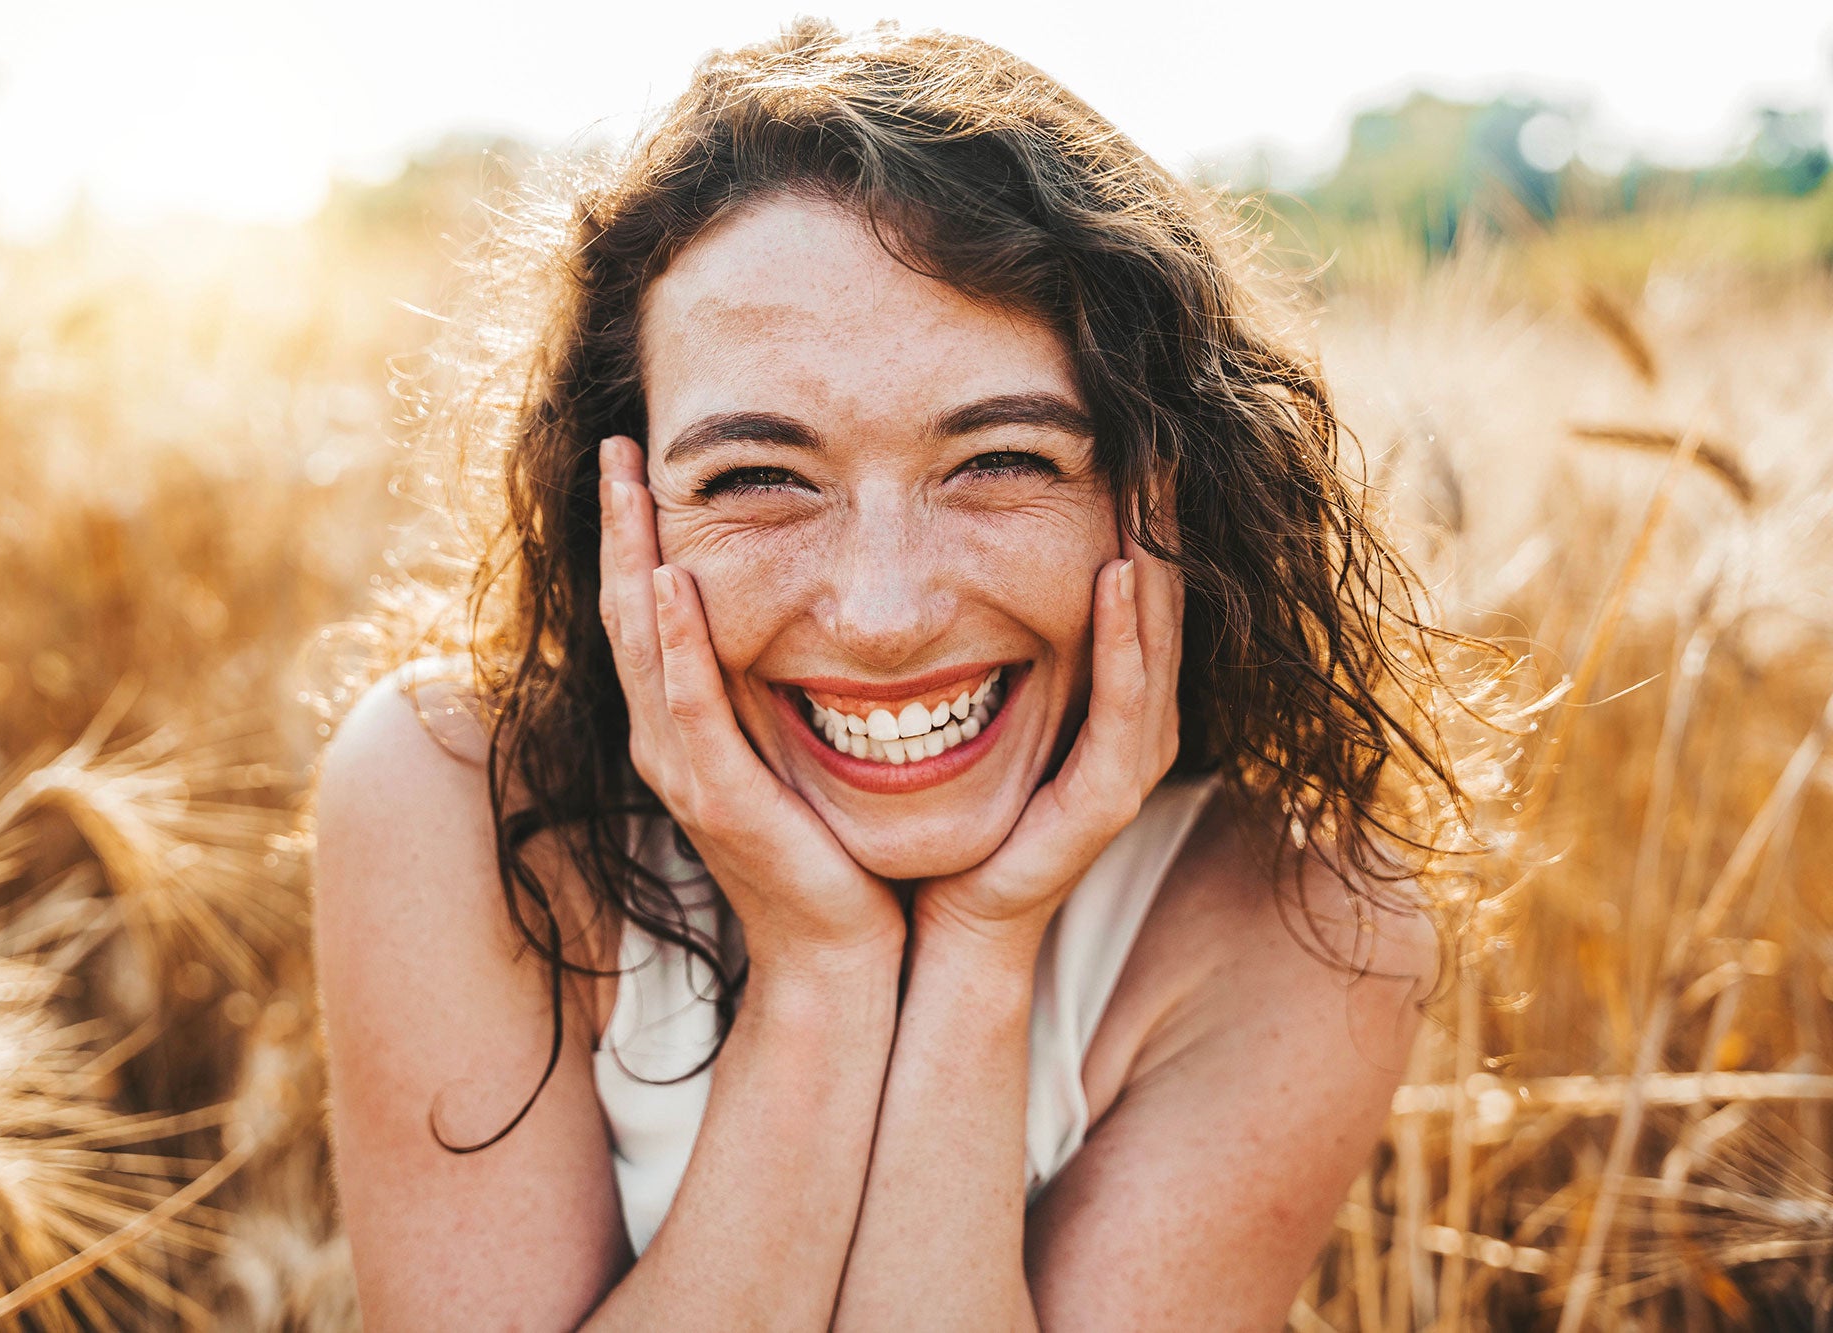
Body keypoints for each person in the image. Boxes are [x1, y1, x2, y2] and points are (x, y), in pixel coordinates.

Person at [312, 19, 1510, 1330]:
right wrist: (818, 967)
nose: (884, 613)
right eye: (760, 478)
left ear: (1157, 495)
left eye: (1002, 461)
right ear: (626, 516)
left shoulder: (1299, 927)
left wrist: (984, 953)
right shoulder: (456, 804)